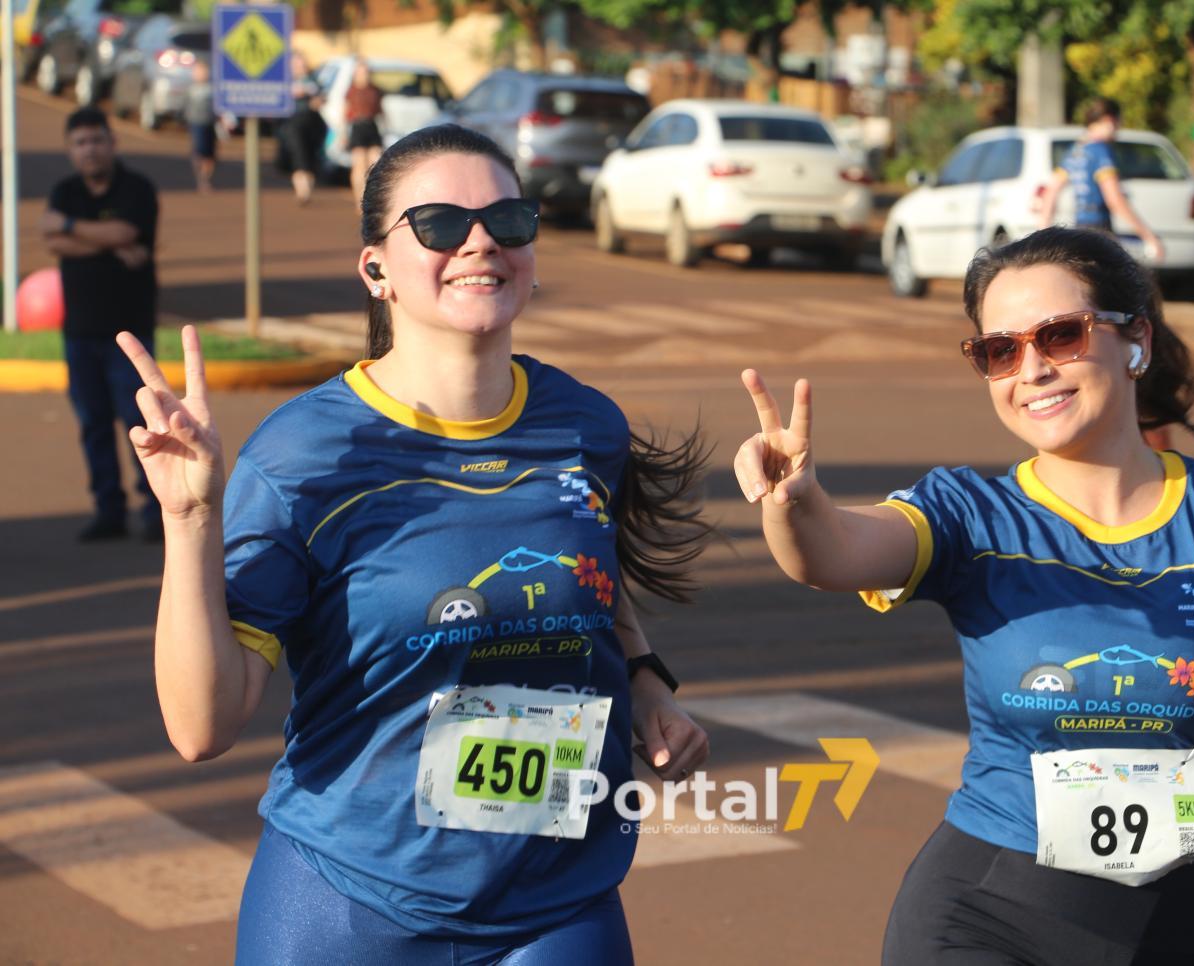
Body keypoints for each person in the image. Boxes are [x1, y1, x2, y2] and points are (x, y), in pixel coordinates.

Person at [732, 227, 1194, 965]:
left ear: (1134, 338)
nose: (1032, 369)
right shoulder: (968, 512)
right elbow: (833, 553)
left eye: (1061, 336)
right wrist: (794, 503)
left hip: (1178, 925)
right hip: (984, 916)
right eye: (1000, 351)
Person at [116, 124, 711, 964]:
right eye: (438, 223)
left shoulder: (586, 426)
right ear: (376, 269)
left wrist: (648, 683)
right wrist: (188, 522)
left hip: (555, 903)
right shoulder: (307, 456)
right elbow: (199, 726)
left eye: (508, 219)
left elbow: (584, 576)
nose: (480, 241)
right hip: (349, 908)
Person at [41, 106, 162, 543]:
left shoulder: (137, 189)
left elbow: (125, 233)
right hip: (79, 332)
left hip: (130, 337)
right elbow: (51, 238)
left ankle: (155, 512)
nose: (89, 149)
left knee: (140, 425)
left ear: (112, 143)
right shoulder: (64, 191)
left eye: (96, 140)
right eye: (79, 143)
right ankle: (108, 510)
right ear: (70, 151)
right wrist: (109, 243)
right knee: (92, 424)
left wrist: (73, 231)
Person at [1039, 98, 1164, 265]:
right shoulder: (1101, 151)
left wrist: (1043, 232)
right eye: (1119, 123)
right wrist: (1148, 236)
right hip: (1100, 229)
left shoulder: (1075, 151)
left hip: (1080, 227)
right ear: (1109, 120)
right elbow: (1114, 199)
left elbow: (1051, 190)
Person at [276, 51, 326, 205]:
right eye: (296, 64)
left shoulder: (314, 81)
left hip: (312, 123)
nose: (300, 66)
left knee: (310, 156)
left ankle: (307, 187)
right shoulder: (286, 82)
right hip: (293, 124)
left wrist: (316, 100)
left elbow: (322, 99)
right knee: (298, 155)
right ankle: (302, 191)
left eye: (302, 63)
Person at [345, 58, 385, 205]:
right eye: (361, 72)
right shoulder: (351, 91)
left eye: (366, 72)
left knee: (376, 163)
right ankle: (359, 200)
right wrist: (342, 134)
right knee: (359, 166)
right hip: (358, 127)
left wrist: (386, 128)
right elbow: (345, 113)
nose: (364, 75)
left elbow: (381, 111)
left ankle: (372, 197)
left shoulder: (375, 90)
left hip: (372, 126)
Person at [183, 59, 218, 194]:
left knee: (210, 154)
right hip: (196, 123)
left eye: (204, 70)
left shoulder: (212, 89)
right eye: (198, 71)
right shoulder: (191, 90)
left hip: (210, 124)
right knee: (199, 151)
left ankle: (206, 177)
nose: (201, 73)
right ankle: (201, 178)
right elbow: (184, 107)